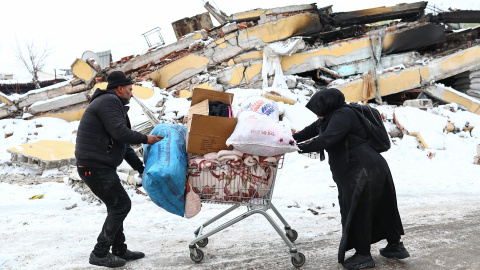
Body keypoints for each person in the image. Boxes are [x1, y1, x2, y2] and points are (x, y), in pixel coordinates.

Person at [293, 88, 409, 270]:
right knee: (381, 207)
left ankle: (363, 255)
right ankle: (395, 246)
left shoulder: (343, 115)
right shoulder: (330, 116)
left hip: (361, 170)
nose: (318, 114)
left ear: (328, 105)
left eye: (319, 109)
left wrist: (296, 148)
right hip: (368, 167)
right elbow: (308, 132)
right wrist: (287, 140)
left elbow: (326, 139)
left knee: (358, 210)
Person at [75, 71, 163, 268]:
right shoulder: (109, 101)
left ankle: (119, 249)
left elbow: (122, 144)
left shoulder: (112, 104)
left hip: (98, 165)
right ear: (120, 88)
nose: (132, 94)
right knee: (120, 205)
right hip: (94, 166)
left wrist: (141, 168)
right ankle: (99, 253)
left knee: (116, 205)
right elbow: (120, 132)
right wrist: (145, 138)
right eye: (130, 89)